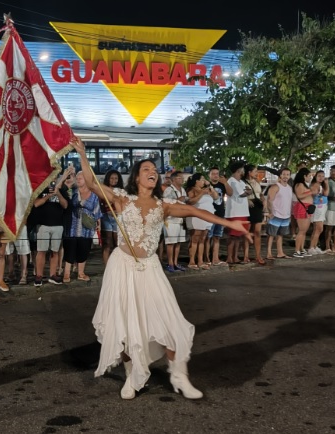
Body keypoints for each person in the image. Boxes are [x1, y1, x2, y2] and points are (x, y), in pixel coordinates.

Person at [71, 138, 251, 400]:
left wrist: (231, 224)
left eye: (153, 169)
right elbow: (90, 182)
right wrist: (82, 155)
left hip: (151, 269)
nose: (151, 172)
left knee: (169, 323)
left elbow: (194, 211)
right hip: (122, 269)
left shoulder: (162, 205)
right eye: (145, 169)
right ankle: (134, 375)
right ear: (136, 177)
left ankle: (179, 377)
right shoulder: (121, 199)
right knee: (124, 326)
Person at [63, 171, 102, 281]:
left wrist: (99, 225)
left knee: (83, 250)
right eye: (78, 178)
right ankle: (66, 274)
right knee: (69, 250)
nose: (78, 179)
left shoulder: (94, 195)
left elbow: (97, 211)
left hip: (86, 229)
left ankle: (81, 273)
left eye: (81, 177)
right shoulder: (73, 192)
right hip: (72, 228)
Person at [184, 173, 218, 270]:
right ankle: (192, 261)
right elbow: (191, 202)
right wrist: (201, 193)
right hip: (196, 216)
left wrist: (210, 186)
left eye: (204, 179)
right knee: (195, 238)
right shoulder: (192, 190)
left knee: (203, 238)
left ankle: (200, 261)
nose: (204, 181)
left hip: (206, 217)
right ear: (196, 181)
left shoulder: (207, 190)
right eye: (202, 179)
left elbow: (216, 197)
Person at [204, 167, 232, 265]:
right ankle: (207, 258)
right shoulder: (206, 185)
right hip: (209, 214)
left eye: (217, 173)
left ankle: (215, 258)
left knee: (217, 236)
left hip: (220, 213)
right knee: (208, 237)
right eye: (213, 173)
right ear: (209, 175)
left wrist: (225, 183)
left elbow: (230, 193)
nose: (215, 175)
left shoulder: (222, 184)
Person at [225, 162, 251, 264]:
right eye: (242, 170)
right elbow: (243, 193)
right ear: (238, 170)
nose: (243, 172)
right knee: (232, 236)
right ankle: (229, 257)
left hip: (243, 211)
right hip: (234, 212)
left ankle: (235, 256)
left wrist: (248, 192)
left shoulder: (241, 182)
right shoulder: (232, 181)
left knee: (239, 236)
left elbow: (248, 191)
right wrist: (248, 192)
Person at [265, 168, 293, 259]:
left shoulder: (289, 188)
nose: (286, 176)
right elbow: (269, 200)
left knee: (280, 234)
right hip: (276, 214)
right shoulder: (275, 187)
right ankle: (269, 253)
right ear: (280, 175)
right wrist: (270, 212)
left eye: (288, 174)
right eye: (284, 174)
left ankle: (280, 252)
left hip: (286, 215)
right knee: (271, 235)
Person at [162, 171, 187, 272]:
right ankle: (170, 263)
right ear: (173, 180)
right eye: (180, 178)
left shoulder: (183, 189)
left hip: (180, 220)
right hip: (170, 220)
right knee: (171, 243)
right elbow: (166, 204)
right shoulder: (169, 190)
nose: (182, 179)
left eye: (182, 178)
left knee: (178, 243)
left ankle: (176, 263)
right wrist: (179, 200)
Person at [242, 164, 266, 265]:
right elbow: (240, 195)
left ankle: (258, 255)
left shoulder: (256, 182)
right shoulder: (242, 182)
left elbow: (260, 193)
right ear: (249, 172)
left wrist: (263, 200)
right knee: (247, 232)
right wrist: (247, 200)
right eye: (255, 171)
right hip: (248, 207)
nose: (257, 173)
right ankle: (246, 255)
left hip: (257, 207)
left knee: (257, 232)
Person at [100, 170, 124, 264]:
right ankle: (107, 266)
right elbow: (100, 204)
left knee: (117, 243)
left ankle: (117, 264)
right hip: (106, 217)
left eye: (116, 178)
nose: (114, 180)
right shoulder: (103, 190)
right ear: (108, 179)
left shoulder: (122, 191)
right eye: (112, 178)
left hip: (118, 218)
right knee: (107, 243)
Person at [291, 168, 314, 257]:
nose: (310, 177)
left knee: (304, 231)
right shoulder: (299, 184)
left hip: (307, 208)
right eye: (309, 176)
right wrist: (311, 192)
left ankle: (301, 249)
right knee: (301, 230)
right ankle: (297, 250)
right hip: (302, 207)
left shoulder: (304, 184)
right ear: (304, 176)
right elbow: (300, 195)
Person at [307, 170, 328, 255]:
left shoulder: (321, 185)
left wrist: (326, 184)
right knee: (318, 228)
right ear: (315, 176)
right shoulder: (314, 185)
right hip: (317, 207)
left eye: (323, 176)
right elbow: (316, 194)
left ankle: (314, 247)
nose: (321, 178)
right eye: (319, 176)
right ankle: (312, 247)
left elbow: (326, 193)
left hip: (323, 207)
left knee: (319, 229)